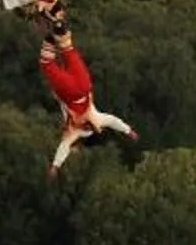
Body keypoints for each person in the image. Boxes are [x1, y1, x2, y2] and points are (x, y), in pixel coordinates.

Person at [39, 26, 136, 177]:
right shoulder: (76, 131)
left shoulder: (94, 122)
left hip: (84, 85)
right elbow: (64, 147)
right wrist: (55, 166)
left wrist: (128, 131)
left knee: (68, 49)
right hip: (70, 92)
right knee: (47, 64)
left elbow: (112, 121)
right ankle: (50, 39)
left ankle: (58, 27)